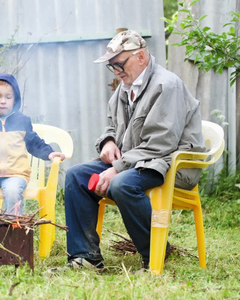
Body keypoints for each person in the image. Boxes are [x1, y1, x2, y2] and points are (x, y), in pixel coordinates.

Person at [64, 30, 205, 270]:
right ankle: (85, 256)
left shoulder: (167, 85)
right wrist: (108, 142)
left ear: (140, 56)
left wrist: (117, 169)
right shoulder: (125, 86)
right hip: (136, 161)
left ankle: (156, 254)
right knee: (76, 176)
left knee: (122, 184)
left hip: (170, 163)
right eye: (112, 67)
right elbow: (112, 124)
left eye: (119, 64)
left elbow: (162, 143)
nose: (117, 72)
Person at [0, 73, 65, 222]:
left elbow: (34, 142)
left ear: (15, 99)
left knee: (12, 192)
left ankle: (13, 230)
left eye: (8, 97)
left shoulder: (22, 121)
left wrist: (49, 153)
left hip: (16, 174)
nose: (3, 101)